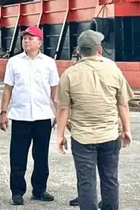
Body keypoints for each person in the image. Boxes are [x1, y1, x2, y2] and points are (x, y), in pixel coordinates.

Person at [55, 29, 134, 210]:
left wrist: (60, 135)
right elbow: (123, 104)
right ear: (99, 49)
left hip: (82, 138)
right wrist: (127, 130)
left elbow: (63, 108)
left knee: (86, 183)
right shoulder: (113, 69)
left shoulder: (69, 74)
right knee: (110, 179)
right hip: (110, 135)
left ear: (79, 50)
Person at [0, 25, 59, 206]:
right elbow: (8, 88)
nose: (26, 41)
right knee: (18, 156)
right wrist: (3, 112)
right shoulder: (14, 62)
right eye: (24, 38)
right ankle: (17, 192)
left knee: (41, 156)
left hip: (42, 117)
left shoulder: (49, 62)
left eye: (31, 38)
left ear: (39, 42)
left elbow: (54, 91)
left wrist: (59, 113)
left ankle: (39, 189)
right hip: (20, 117)